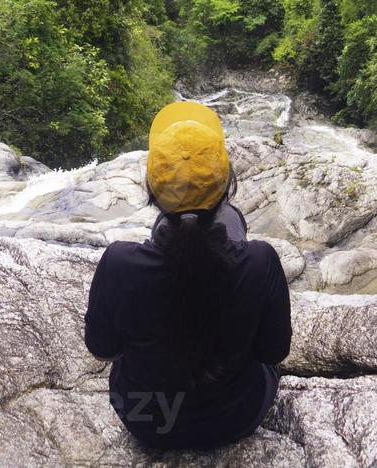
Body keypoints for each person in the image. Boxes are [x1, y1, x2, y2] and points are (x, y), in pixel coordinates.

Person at [83, 101, 291, 450]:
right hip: (235, 417)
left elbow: (103, 350)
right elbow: (273, 352)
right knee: (230, 226)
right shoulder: (260, 260)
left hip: (147, 421)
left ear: (151, 187)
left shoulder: (118, 262)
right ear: (226, 183)